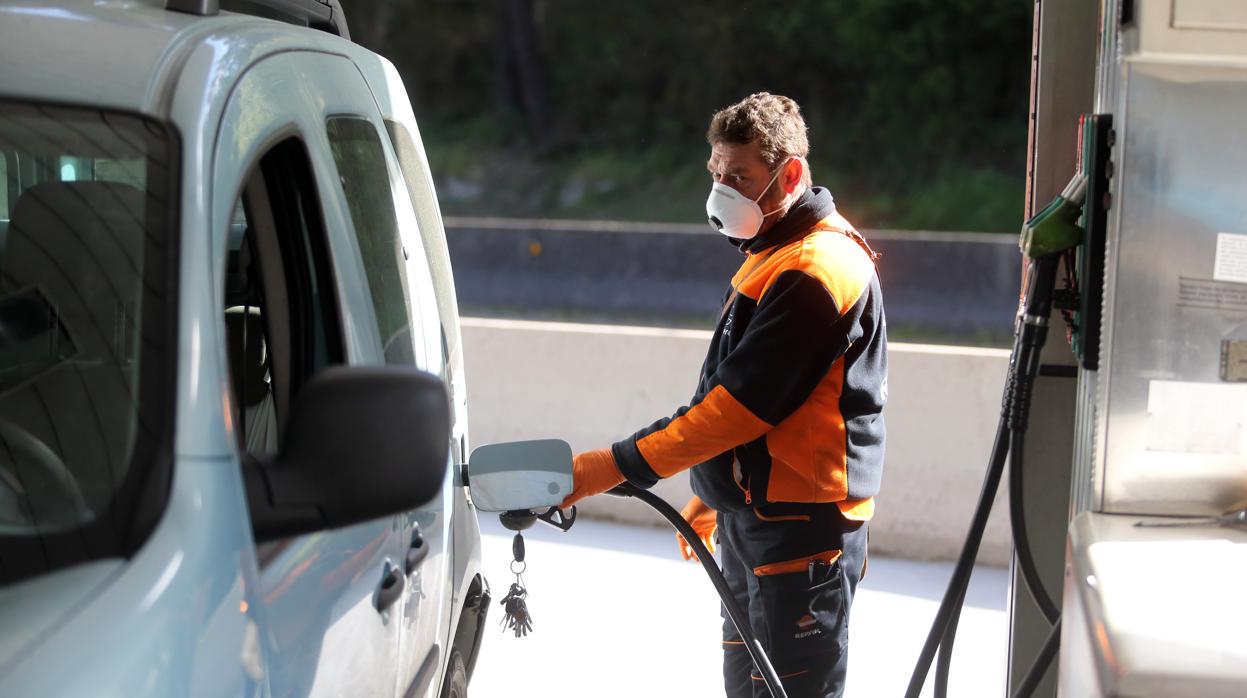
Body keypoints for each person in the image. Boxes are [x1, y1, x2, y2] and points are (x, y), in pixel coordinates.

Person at [561, 92, 887, 698]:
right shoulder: (773, 256)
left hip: (800, 536)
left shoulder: (817, 271)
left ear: (789, 174)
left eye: (740, 176)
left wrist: (609, 467)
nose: (722, 190)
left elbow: (738, 408)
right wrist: (717, 492)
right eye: (716, 173)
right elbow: (734, 388)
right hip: (756, 521)